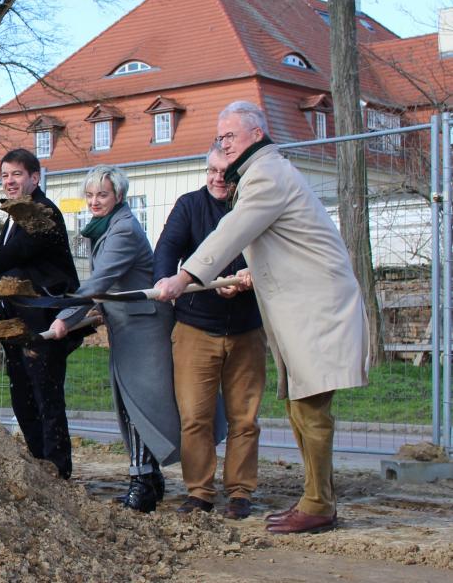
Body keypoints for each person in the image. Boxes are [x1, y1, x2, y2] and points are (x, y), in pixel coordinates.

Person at [155, 100, 369, 534]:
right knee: (301, 406)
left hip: (316, 308)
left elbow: (233, 231)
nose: (224, 144)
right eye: (219, 138)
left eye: (230, 136)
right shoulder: (262, 173)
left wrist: (185, 276)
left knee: (310, 409)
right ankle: (316, 499)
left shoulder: (266, 173)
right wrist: (250, 271)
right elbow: (290, 241)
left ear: (256, 134)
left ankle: (317, 504)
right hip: (305, 306)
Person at [48, 164, 180, 512]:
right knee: (129, 403)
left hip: (144, 327)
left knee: (140, 405)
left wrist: (64, 318)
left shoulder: (123, 231)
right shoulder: (106, 226)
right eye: (89, 195)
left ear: (118, 196)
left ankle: (142, 482)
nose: (94, 201)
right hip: (127, 325)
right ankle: (149, 478)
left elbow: (100, 281)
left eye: (101, 195)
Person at [153, 146, 266, 520]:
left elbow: (274, 253)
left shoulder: (255, 207)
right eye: (212, 170)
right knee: (195, 417)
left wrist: (253, 273)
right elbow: (166, 252)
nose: (218, 178)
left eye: (227, 172)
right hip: (195, 328)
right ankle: (199, 492)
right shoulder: (189, 206)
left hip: (247, 329)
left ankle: (240, 492)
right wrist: (166, 284)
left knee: (244, 418)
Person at [0, 148, 83, 479]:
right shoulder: (16, 216)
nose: (9, 181)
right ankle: (42, 464)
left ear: (34, 178)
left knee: (46, 399)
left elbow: (19, 251)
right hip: (15, 323)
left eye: (16, 174)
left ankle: (58, 470)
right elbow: (19, 265)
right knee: (23, 399)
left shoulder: (42, 213)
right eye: (4, 175)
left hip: (43, 323)